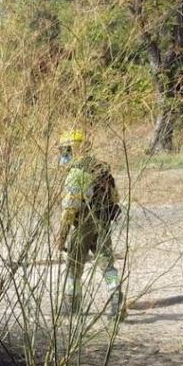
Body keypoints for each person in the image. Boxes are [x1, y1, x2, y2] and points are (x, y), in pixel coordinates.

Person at [54, 129, 124, 319]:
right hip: (102, 222)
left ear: (73, 149)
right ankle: (117, 302)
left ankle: (71, 304)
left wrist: (61, 237)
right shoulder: (100, 167)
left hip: (83, 223)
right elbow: (115, 197)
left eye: (65, 151)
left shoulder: (76, 174)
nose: (63, 155)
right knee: (107, 266)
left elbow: (69, 209)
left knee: (73, 267)